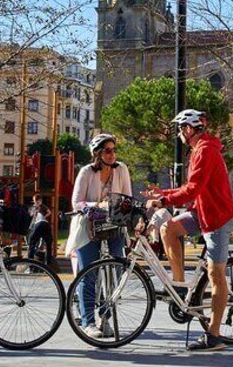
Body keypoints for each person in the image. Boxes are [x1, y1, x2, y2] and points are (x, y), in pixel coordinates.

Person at [143, 109, 233, 353]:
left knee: (216, 275)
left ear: (189, 129)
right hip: (201, 212)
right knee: (168, 228)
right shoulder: (199, 150)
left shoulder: (205, 151)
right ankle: (181, 287)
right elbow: (191, 187)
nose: (178, 134)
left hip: (216, 218)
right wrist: (163, 193)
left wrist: (163, 202)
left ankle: (214, 335)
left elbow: (192, 189)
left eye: (180, 129)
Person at [64, 133, 132, 339]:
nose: (112, 155)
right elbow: (76, 202)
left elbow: (127, 198)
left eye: (114, 150)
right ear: (97, 153)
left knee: (116, 275)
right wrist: (97, 207)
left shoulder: (121, 169)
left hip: (114, 227)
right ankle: (88, 322)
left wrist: (125, 213)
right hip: (88, 228)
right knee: (88, 275)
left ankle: (105, 318)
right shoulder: (86, 172)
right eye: (107, 150)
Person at [26, 194, 54, 263]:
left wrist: (43, 215)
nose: (35, 203)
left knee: (31, 244)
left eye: (36, 201)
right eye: (35, 201)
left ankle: (31, 264)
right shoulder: (37, 207)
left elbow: (31, 216)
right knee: (48, 244)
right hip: (45, 224)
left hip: (39, 224)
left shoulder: (39, 207)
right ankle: (48, 262)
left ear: (39, 201)